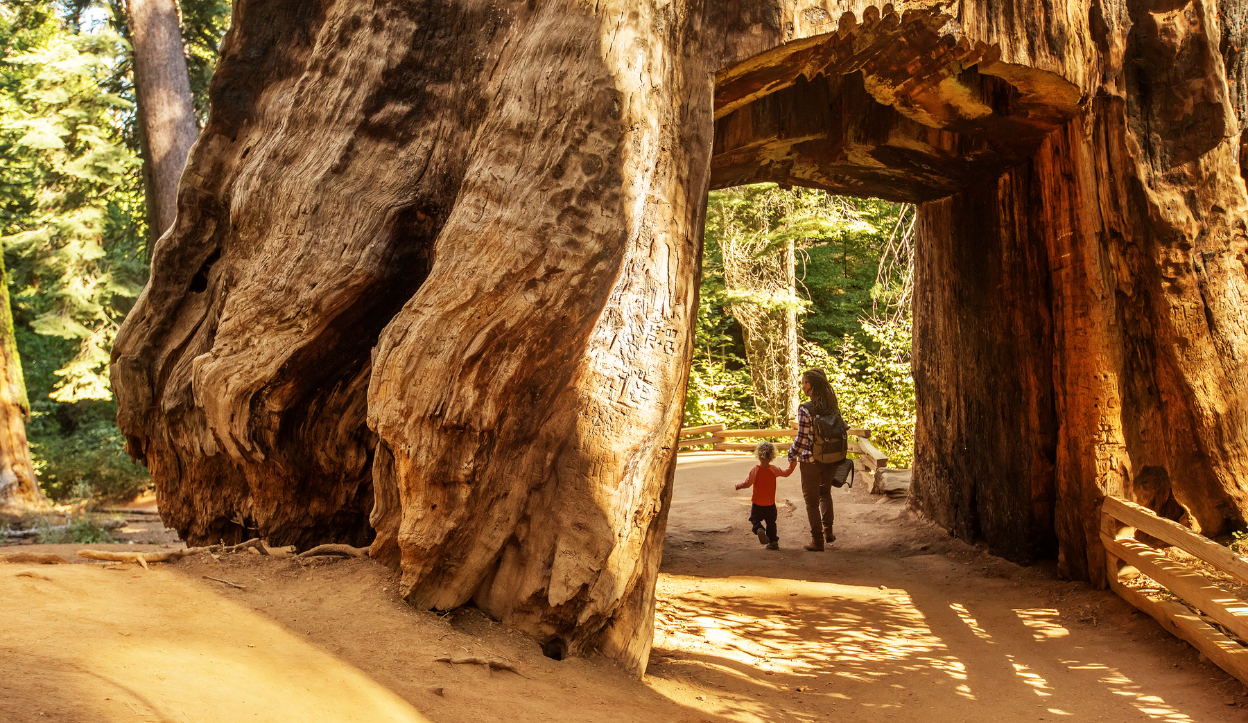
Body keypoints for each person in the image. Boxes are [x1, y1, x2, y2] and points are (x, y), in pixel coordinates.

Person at [787, 368, 852, 551]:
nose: (802, 386)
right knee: (825, 493)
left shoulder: (805, 409)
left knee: (811, 501)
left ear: (809, 385)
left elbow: (801, 439)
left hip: (811, 461)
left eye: (802, 383)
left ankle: (817, 541)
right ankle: (828, 530)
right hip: (831, 458)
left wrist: (791, 455)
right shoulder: (832, 405)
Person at [735, 440, 797, 550]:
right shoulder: (774, 470)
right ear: (772, 456)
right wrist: (793, 464)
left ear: (758, 455)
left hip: (757, 503)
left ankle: (759, 529)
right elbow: (786, 473)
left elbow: (748, 483)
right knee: (771, 523)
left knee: (754, 519)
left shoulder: (755, 470)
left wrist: (739, 485)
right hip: (770, 503)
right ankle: (773, 542)